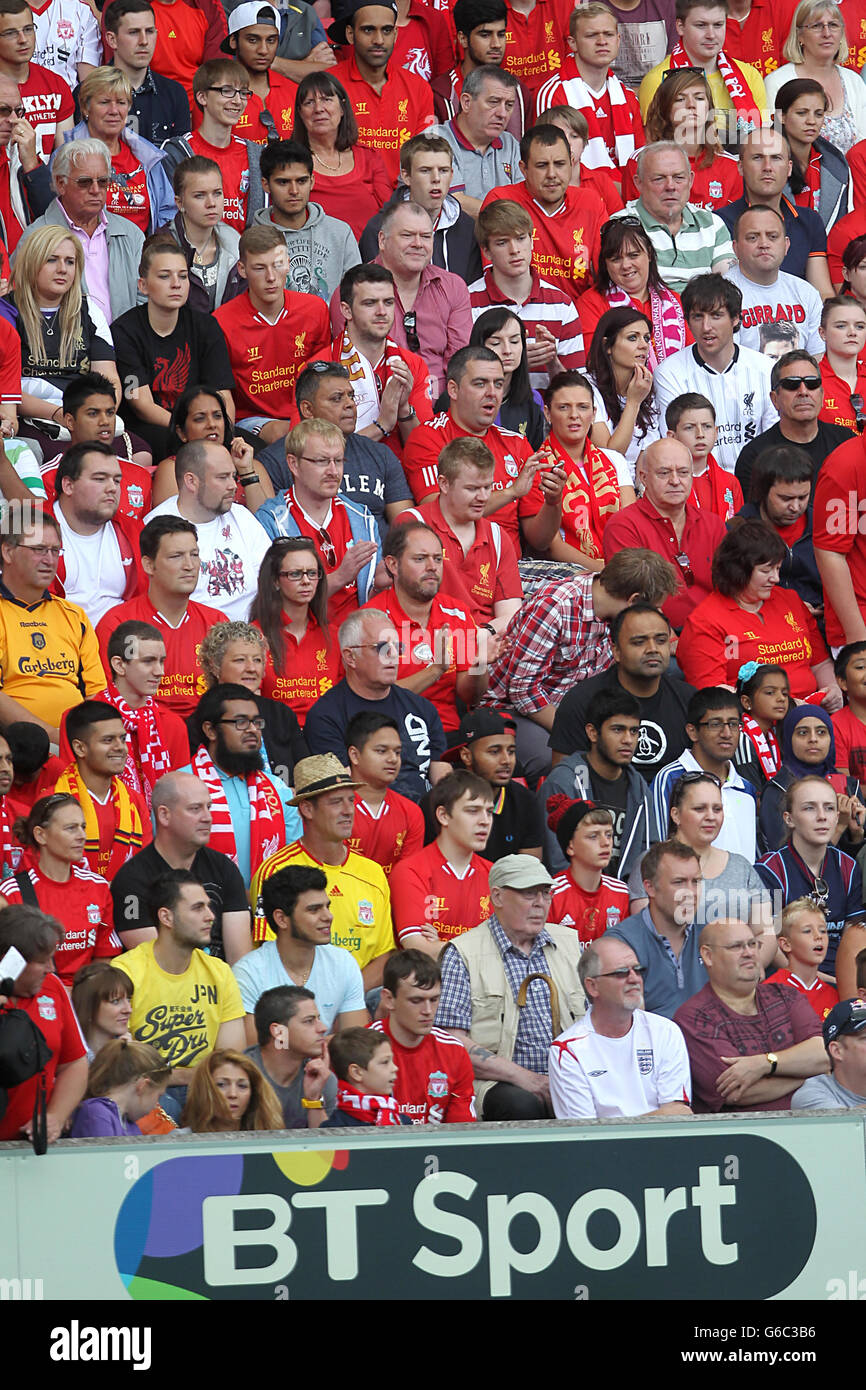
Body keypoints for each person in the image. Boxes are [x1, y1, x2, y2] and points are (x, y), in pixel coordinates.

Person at [435, 853, 585, 1120]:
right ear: (498, 897)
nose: (540, 903)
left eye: (545, 893)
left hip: (573, 1075)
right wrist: (528, 1079)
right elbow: (451, 1042)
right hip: (498, 1082)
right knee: (520, 1104)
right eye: (529, 894)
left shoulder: (571, 945)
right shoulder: (462, 953)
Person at [402, 345, 564, 558]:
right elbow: (437, 517)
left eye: (498, 384)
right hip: (453, 566)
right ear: (453, 389)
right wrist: (511, 492)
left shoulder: (517, 443)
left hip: (513, 568)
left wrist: (553, 502)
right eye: (480, 384)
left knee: (591, 586)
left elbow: (539, 540)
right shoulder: (428, 438)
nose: (492, 393)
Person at [249, 753, 394, 988]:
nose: (348, 810)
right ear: (307, 809)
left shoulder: (373, 873)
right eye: (336, 802)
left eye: (351, 800)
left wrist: (346, 998)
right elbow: (271, 957)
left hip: (361, 998)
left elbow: (384, 956)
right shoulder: (276, 871)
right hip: (297, 1000)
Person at [114, 870, 247, 1116]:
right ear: (166, 917)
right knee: (164, 1105)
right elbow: (122, 1064)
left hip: (205, 1088)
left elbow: (230, 1058)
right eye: (198, 908)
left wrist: (194, 1078)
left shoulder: (219, 972)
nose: (210, 916)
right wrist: (184, 1075)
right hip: (146, 1092)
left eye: (209, 907)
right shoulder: (125, 972)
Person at [673, 916, 827, 1112]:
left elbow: (823, 1053)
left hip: (813, 1124)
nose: (748, 953)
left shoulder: (786, 996)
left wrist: (763, 1064)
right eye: (736, 947)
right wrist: (809, 1075)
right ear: (708, 955)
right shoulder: (693, 1017)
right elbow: (737, 1091)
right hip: (745, 1136)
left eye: (752, 944)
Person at [678, 517, 839, 702]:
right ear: (738, 570)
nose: (776, 578)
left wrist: (833, 689)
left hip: (811, 715)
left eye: (778, 569)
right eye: (766, 571)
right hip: (751, 722)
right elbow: (714, 697)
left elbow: (819, 663)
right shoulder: (705, 621)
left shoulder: (791, 600)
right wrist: (788, 707)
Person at [109, 769, 252, 964]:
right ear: (164, 815)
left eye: (208, 807)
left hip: (224, 987)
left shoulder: (225, 869)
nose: (208, 817)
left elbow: (241, 960)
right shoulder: (132, 880)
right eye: (195, 809)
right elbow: (158, 961)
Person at [335, 201, 473, 402]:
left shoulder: (453, 287)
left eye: (425, 236)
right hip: (374, 408)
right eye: (407, 235)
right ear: (382, 240)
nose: (418, 244)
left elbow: (460, 365)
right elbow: (349, 364)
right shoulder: (352, 292)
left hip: (441, 411)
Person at [304, 608, 449, 799]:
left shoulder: (422, 708)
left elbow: (444, 782)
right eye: (381, 647)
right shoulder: (326, 715)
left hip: (427, 818)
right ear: (350, 657)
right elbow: (343, 792)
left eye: (399, 647)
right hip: (366, 819)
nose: (393, 654)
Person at [113, 236, 234, 460]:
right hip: (151, 427)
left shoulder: (206, 326)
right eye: (164, 276)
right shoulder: (124, 331)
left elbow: (222, 394)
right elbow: (141, 404)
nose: (176, 284)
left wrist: (221, 430)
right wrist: (188, 429)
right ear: (143, 285)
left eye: (183, 276)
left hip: (203, 424)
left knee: (256, 451)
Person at [96, 515, 226, 719]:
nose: (189, 565)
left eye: (194, 554)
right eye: (176, 556)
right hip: (144, 732)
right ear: (148, 565)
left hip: (206, 734)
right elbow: (114, 699)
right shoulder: (118, 624)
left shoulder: (217, 623)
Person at [254, 419, 382, 628]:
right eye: (322, 461)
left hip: (357, 639)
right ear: (293, 464)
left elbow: (369, 597)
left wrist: (381, 584)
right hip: (299, 640)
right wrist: (340, 577)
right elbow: (272, 600)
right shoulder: (271, 522)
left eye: (338, 460)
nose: (333, 471)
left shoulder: (362, 517)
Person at [550, 603, 697, 785]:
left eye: (660, 640)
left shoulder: (690, 699)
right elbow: (565, 783)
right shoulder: (582, 701)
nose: (653, 649)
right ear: (616, 651)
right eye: (639, 642)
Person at [549, 935, 693, 1118]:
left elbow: (679, 1113)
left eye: (638, 970)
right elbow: (584, 1136)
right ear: (592, 987)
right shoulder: (567, 1051)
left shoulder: (665, 1031)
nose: (634, 979)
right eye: (621, 973)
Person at [364, 521, 485, 737]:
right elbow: (376, 700)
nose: (432, 567)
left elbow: (470, 698)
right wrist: (435, 670)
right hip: (391, 734)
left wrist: (480, 666)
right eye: (420, 559)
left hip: (449, 734)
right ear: (392, 565)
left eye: (437, 559)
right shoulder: (370, 620)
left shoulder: (457, 612)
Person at [1, 226, 119, 445]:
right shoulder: (6, 311)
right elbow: (7, 388)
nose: (63, 269)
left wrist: (102, 415)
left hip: (83, 414)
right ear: (32, 263)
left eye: (70, 262)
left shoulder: (90, 309)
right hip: (30, 416)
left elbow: (109, 379)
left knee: (141, 452)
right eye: (52, 260)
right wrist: (57, 413)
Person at [213, 225, 330, 444]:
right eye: (259, 268)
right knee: (283, 434)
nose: (270, 277)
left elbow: (323, 376)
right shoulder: (221, 322)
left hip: (306, 413)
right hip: (251, 419)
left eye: (277, 265)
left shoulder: (315, 309)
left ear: (288, 263)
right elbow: (222, 392)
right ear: (242, 269)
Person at [398, 435, 524, 635]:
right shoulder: (412, 525)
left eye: (488, 487)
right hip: (427, 642)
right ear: (444, 484)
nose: (483, 497)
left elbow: (511, 614)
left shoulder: (497, 536)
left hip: (485, 643)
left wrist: (482, 635)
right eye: (472, 488)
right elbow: (404, 606)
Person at [652, 273, 777, 473]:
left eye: (716, 315)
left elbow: (774, 442)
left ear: (736, 319)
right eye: (697, 316)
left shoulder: (766, 369)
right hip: (696, 487)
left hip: (757, 483)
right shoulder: (669, 373)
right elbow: (674, 446)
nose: (706, 327)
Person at [0, 511, 104, 741]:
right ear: (7, 551)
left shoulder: (74, 615)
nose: (49, 560)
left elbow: (96, 693)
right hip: (18, 744)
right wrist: (50, 735)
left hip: (77, 741)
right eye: (39, 550)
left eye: (55, 551)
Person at [603, 437, 725, 632]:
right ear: (643, 478)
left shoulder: (713, 524)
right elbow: (631, 601)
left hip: (714, 632)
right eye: (664, 473)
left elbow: (730, 590)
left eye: (683, 472)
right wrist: (669, 640)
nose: (675, 481)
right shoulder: (623, 526)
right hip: (654, 636)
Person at [18, 138, 146, 324]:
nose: (96, 190)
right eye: (85, 182)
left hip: (123, 348)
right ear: (60, 184)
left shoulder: (130, 234)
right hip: (63, 349)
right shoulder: (35, 237)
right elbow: (21, 304)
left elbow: (145, 298)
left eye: (103, 182)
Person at [185, 681, 299, 888]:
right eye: (240, 722)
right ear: (210, 730)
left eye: (257, 722)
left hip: (268, 911)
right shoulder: (181, 785)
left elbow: (295, 859)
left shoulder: (278, 789)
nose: (253, 730)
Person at [479, 123, 606, 308]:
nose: (552, 174)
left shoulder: (590, 203)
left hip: (577, 317)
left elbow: (606, 278)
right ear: (523, 169)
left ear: (572, 162)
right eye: (541, 165)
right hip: (516, 315)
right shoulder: (502, 200)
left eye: (560, 164)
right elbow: (496, 279)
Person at [0, 792, 119, 989]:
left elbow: (104, 958)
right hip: (34, 999)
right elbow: (6, 970)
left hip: (85, 999)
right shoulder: (12, 893)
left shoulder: (98, 887)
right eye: (71, 828)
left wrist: (83, 997)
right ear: (41, 835)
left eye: (83, 827)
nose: (81, 836)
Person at [232, 863, 367, 1034]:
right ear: (281, 919)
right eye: (314, 910)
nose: (328, 916)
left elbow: (356, 1042)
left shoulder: (343, 962)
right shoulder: (249, 973)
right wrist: (316, 1047)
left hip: (329, 1061)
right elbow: (258, 1052)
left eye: (327, 906)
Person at [144, 439, 270, 622]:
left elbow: (270, 581)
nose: (233, 485)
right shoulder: (157, 528)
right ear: (191, 481)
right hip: (194, 638)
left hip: (251, 635)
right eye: (222, 477)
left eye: (233, 477)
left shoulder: (242, 517)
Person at [313, 263, 431, 458]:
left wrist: (403, 409)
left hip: (400, 477)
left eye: (388, 302)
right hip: (343, 480)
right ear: (346, 310)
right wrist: (382, 425)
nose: (382, 312)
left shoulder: (411, 365)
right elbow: (315, 454)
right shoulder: (319, 370)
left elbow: (424, 452)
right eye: (370, 303)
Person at [469, 200, 583, 392]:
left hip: (550, 419)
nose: (515, 250)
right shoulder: (466, 301)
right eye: (502, 242)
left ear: (531, 241)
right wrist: (516, 365)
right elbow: (461, 381)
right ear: (486, 251)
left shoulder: (562, 304)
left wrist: (552, 361)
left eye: (521, 238)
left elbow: (578, 391)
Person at [537, 687, 651, 879]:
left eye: (634, 731)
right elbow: (555, 861)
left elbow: (649, 852)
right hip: (573, 897)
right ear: (592, 733)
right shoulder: (564, 782)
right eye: (617, 730)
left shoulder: (640, 789)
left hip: (627, 901)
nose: (628, 740)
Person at [758, 772, 865, 973]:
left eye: (829, 808)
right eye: (809, 808)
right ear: (789, 819)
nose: (822, 816)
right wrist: (819, 982)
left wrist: (843, 985)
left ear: (836, 817)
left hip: (841, 979)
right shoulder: (769, 870)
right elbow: (769, 944)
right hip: (791, 982)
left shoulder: (849, 867)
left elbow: (854, 940)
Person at [0, 902, 87, 1143]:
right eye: (43, 961)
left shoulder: (53, 987)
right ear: (11, 960)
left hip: (32, 1150)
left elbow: (74, 1063)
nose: (51, 968)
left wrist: (55, 1117)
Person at [327, 0, 435, 187]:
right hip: (345, 196)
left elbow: (423, 159)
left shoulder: (419, 88)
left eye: (386, 30)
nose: (378, 40)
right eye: (368, 30)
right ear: (350, 34)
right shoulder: (328, 85)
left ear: (395, 34)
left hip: (402, 201)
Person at [717, 126, 833, 297]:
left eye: (776, 158)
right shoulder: (719, 222)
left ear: (789, 168)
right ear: (740, 167)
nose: (767, 167)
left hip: (800, 320)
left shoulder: (809, 220)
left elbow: (822, 292)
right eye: (757, 158)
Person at [84, 619, 190, 806]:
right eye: (148, 661)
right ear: (119, 665)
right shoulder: (83, 720)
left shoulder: (173, 725)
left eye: (161, 661)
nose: (159, 672)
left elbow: (180, 799)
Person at [538, 369, 635, 569]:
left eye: (583, 407)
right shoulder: (538, 465)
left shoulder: (614, 460)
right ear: (548, 413)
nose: (574, 415)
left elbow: (631, 525)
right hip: (570, 572)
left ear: (593, 414)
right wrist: (603, 570)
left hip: (622, 566)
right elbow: (552, 546)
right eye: (564, 407)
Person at [390, 768, 493, 955]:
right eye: (473, 811)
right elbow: (418, 948)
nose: (485, 821)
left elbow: (508, 948)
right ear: (443, 815)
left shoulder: (494, 874)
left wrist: (445, 946)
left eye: (489, 812)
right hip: (429, 982)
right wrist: (482, 949)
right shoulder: (410, 871)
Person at [194, 619, 309, 787]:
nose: (251, 668)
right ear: (215, 665)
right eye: (240, 660)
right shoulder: (199, 722)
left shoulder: (281, 714)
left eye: (257, 660)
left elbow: (307, 775)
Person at [359, 132, 482, 288]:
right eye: (425, 170)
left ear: (451, 176)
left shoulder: (467, 228)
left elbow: (471, 291)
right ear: (406, 176)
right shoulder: (379, 229)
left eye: (443, 170)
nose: (436, 178)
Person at [615, 142, 736, 298]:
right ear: (639, 183)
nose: (670, 186)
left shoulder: (712, 224)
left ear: (691, 180)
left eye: (679, 178)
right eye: (659, 179)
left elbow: (728, 286)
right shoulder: (620, 226)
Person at [535, 4, 644, 175]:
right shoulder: (553, 94)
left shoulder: (628, 97)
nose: (602, 41)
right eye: (591, 35)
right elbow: (552, 168)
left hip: (627, 194)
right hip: (578, 196)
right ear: (573, 43)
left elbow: (640, 161)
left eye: (608, 34)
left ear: (618, 40)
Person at [159, 59, 265, 235]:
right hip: (193, 256)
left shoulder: (254, 154)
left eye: (243, 93)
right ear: (202, 97)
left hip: (244, 256)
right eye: (227, 91)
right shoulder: (176, 152)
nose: (238, 101)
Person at [370, 950, 477, 1123]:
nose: (427, 1011)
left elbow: (460, 1134)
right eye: (416, 1000)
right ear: (389, 999)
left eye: (434, 999)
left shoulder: (454, 1051)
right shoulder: (362, 1049)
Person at [51, 698, 151, 882]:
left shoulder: (134, 801)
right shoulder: (51, 802)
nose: (120, 747)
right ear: (80, 748)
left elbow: (145, 868)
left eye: (122, 738)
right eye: (108, 740)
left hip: (127, 904)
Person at [652, 688, 760, 859]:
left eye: (733, 724)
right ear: (692, 731)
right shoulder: (670, 778)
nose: (727, 734)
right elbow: (657, 850)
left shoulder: (746, 789)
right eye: (715, 724)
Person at [68, 66, 175, 236]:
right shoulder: (68, 156)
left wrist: (155, 250)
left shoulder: (147, 156)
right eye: (104, 102)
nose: (114, 111)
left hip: (143, 255)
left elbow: (167, 211)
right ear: (85, 108)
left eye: (121, 102)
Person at [426, 708, 545, 860]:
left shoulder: (525, 801)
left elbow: (530, 872)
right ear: (466, 756)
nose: (506, 760)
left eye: (511, 751)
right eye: (494, 752)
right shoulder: (438, 802)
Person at [638, 0, 767, 140]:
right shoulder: (658, 80)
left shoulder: (749, 75)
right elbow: (654, 145)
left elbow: (761, 140)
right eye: (701, 25)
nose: (711, 35)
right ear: (680, 27)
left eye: (718, 25)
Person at [249, 537, 342, 730]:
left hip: (325, 738)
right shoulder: (253, 638)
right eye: (295, 574)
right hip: (275, 738)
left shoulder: (334, 636)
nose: (306, 581)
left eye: (312, 573)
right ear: (275, 581)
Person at [735, 350, 854, 500]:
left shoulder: (846, 442)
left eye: (812, 383)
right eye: (791, 384)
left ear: (822, 395)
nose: (803, 392)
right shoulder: (754, 456)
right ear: (774, 399)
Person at [252, 138, 360, 302]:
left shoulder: (340, 233)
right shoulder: (252, 239)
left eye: (301, 181)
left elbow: (357, 296)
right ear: (265, 185)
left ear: (312, 181)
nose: (294, 190)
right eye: (283, 182)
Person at [576, 215, 690, 369]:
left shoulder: (674, 301)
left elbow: (691, 357)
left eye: (633, 255)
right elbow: (594, 364)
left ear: (649, 254)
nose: (626, 265)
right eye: (616, 259)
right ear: (605, 264)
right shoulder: (591, 303)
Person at [290, 70, 392, 241]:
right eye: (309, 102)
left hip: (368, 261)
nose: (318, 109)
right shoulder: (290, 162)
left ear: (343, 108)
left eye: (327, 99)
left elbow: (390, 216)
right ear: (300, 113)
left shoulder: (369, 158)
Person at [622, 68, 740, 213]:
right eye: (680, 99)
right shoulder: (640, 161)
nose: (691, 105)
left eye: (699, 98)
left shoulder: (731, 167)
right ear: (665, 109)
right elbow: (635, 223)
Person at [40, 372, 153, 511]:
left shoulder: (140, 476)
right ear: (69, 421)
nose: (105, 421)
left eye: (110, 413)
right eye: (93, 413)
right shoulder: (46, 479)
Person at [766, 0, 866, 154]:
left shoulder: (854, 81)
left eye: (833, 25)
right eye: (816, 26)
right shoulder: (778, 82)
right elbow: (772, 145)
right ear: (800, 36)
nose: (827, 33)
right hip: (799, 176)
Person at [726, 205, 823, 357]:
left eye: (772, 236)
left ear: (786, 245)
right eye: (753, 237)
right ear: (735, 248)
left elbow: (818, 357)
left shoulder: (806, 293)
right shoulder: (720, 294)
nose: (764, 244)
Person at [428, 64, 521, 219]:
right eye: (493, 102)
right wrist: (510, 217)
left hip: (502, 239)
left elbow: (526, 199)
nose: (503, 113)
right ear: (466, 102)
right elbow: (454, 202)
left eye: (509, 105)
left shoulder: (510, 144)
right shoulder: (434, 140)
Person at [736, 445, 822, 613]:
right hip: (764, 624)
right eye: (786, 498)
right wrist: (789, 606)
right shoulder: (739, 530)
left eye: (803, 497)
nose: (796, 507)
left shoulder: (823, 525)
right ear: (763, 491)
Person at [431, 0, 530, 141]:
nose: (496, 44)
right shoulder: (441, 95)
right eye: (485, 35)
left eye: (501, 34)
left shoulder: (519, 93)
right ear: (463, 39)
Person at [103, 0, 192, 146]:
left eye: (149, 31)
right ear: (112, 40)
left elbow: (180, 161)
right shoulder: (89, 93)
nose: (144, 41)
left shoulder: (175, 93)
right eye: (133, 32)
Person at [345, 710, 424, 874]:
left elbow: (406, 877)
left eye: (397, 752)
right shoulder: (334, 807)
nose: (393, 759)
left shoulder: (411, 813)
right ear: (354, 755)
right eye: (381, 751)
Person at [245, 985, 335, 1128]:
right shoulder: (240, 1077)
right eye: (309, 1021)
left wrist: (313, 1099)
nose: (323, 1028)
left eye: (318, 1019)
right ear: (279, 1032)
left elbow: (327, 1148)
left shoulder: (322, 1078)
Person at [162, 156, 241, 313]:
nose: (211, 203)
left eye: (217, 193)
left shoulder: (236, 243)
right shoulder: (162, 246)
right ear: (180, 203)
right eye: (200, 195)